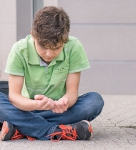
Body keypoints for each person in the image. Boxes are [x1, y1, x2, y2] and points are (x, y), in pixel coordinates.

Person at [0, 6, 104, 141]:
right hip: (25, 108)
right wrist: (36, 105)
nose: (49, 54)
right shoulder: (19, 50)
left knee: (94, 102)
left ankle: (22, 127)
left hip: (58, 111)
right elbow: (14, 96)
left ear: (65, 40)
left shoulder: (74, 47)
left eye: (56, 48)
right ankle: (55, 131)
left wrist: (65, 102)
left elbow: (72, 92)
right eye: (43, 47)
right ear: (33, 35)